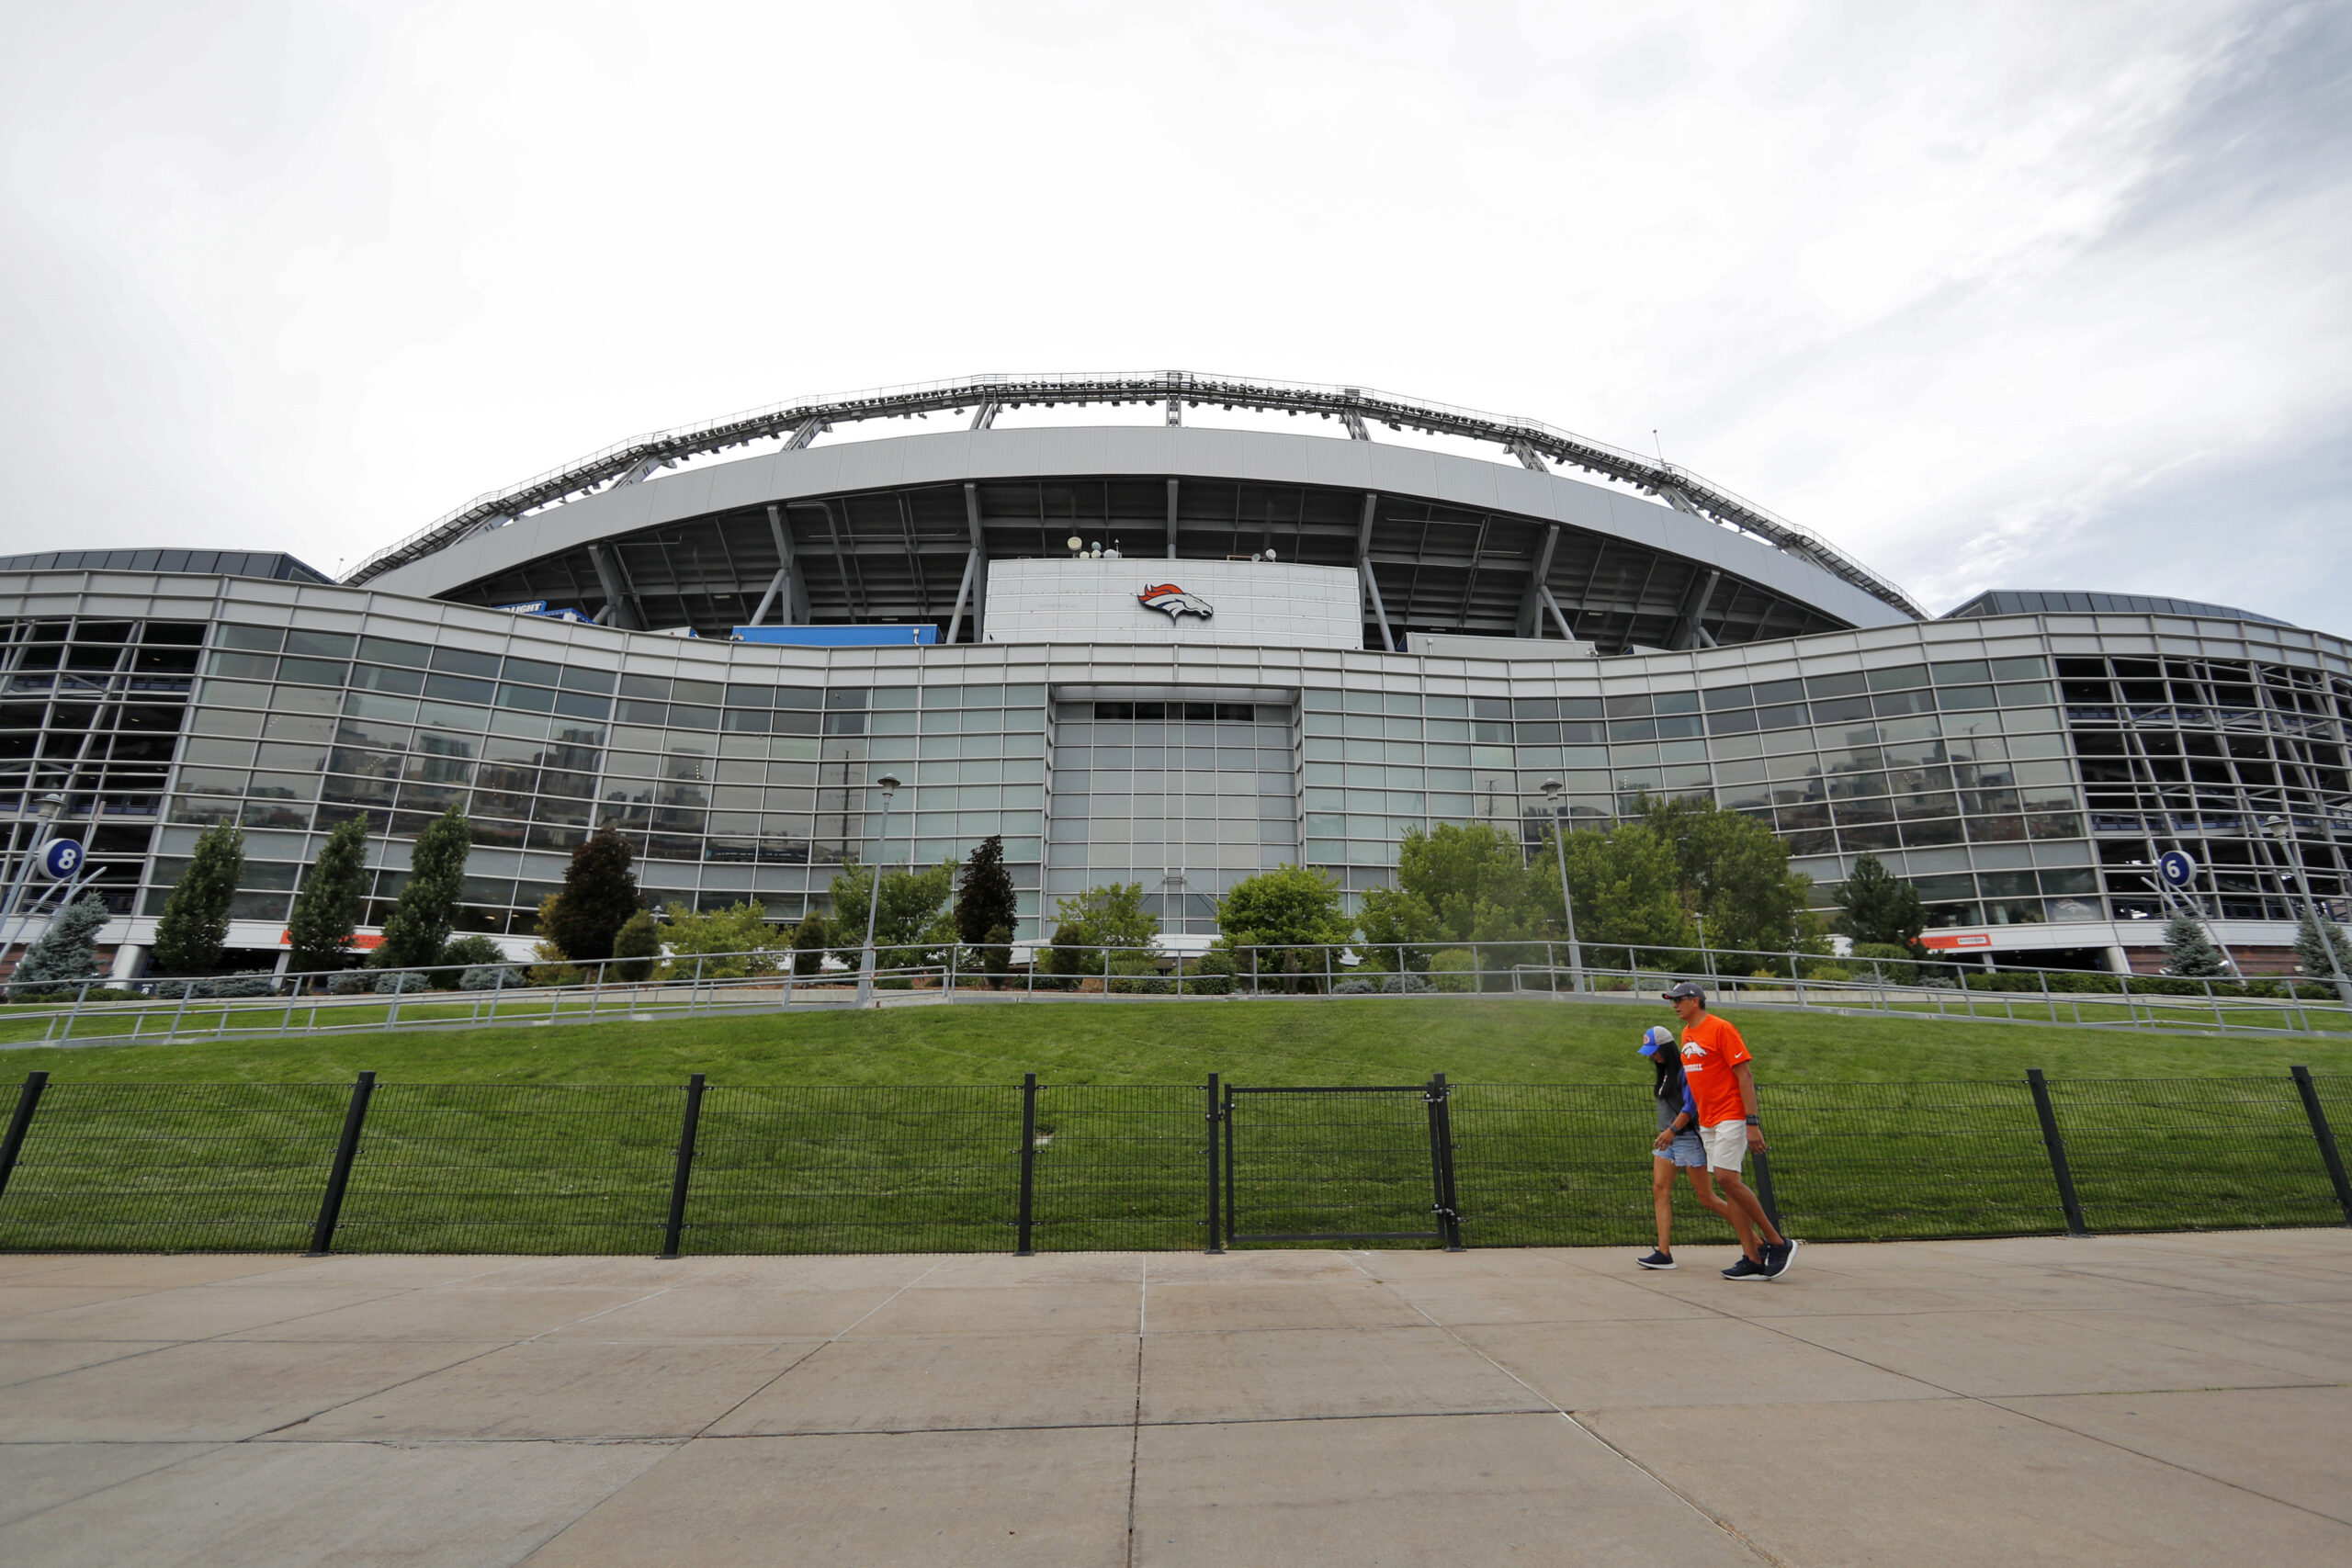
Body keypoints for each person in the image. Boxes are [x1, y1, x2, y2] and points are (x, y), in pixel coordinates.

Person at [1662, 980, 1797, 1280]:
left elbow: (1744, 1075)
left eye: (1679, 999)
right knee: (1729, 1184)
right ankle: (1752, 1258)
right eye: (1672, 1000)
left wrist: (1752, 1122)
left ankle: (1778, 1242)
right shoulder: (1686, 1034)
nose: (1674, 1004)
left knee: (1725, 1177)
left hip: (1731, 1116)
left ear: (1695, 1001)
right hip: (1708, 1121)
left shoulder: (1721, 1028)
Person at [1636, 1024, 1736, 1269]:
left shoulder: (1684, 1071)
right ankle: (1663, 1253)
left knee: (1707, 1198)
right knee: (1660, 1190)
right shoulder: (1665, 1072)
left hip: (1685, 1137)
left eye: (1655, 1051)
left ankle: (1757, 1241)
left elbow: (1691, 1107)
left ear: (1666, 1049)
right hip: (1667, 1140)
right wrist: (1667, 1133)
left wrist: (1672, 1130)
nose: (1652, 1056)